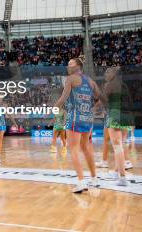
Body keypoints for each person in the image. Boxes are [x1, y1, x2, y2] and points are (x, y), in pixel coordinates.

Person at [54, 56, 100, 193]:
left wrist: (54, 108)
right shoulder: (91, 81)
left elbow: (63, 97)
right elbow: (101, 98)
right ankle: (94, 178)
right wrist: (92, 108)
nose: (68, 66)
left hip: (75, 117)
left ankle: (81, 182)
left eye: (70, 64)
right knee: (86, 148)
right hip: (87, 118)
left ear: (77, 66)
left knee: (73, 149)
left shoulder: (71, 79)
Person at [99, 66, 133, 186]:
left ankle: (122, 178)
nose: (106, 74)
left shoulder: (110, 85)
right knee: (121, 144)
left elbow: (102, 100)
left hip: (115, 115)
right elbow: (129, 101)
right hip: (126, 115)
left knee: (117, 146)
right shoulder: (123, 85)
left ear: (114, 74)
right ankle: (116, 171)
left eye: (108, 72)